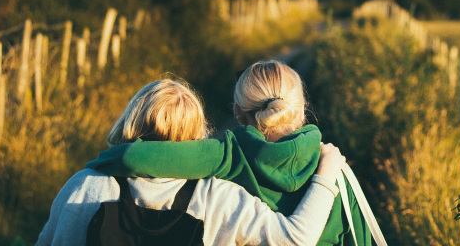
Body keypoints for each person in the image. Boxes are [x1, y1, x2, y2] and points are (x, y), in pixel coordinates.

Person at [87, 60, 378, 245]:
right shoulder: (333, 169)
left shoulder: (228, 154)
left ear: (238, 114)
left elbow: (128, 158)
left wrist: (96, 164)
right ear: (301, 112)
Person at [36, 78, 347, 246]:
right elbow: (296, 239)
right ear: (199, 132)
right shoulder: (218, 196)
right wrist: (327, 173)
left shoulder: (85, 186)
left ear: (130, 120)